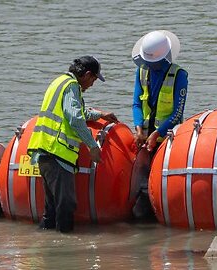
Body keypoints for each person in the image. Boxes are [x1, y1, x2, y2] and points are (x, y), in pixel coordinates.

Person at [27, 56, 117, 233]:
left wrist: (99, 114)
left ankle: (45, 245)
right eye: (93, 79)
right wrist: (92, 146)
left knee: (52, 208)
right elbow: (75, 118)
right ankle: (64, 249)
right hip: (58, 153)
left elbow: (78, 111)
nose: (92, 85)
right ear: (87, 74)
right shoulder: (72, 86)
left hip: (43, 150)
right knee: (66, 205)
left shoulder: (59, 82)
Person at [130, 30, 189, 219]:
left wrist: (157, 134)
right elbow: (136, 103)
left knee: (161, 182)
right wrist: (139, 129)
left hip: (168, 138)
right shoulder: (141, 71)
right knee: (141, 182)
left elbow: (177, 113)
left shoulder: (179, 75)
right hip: (144, 137)